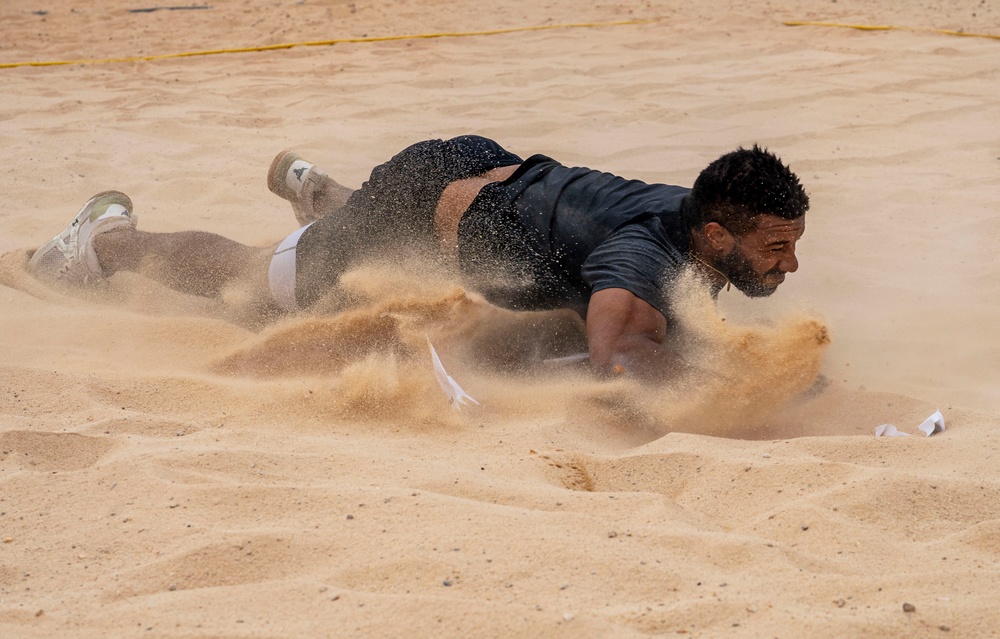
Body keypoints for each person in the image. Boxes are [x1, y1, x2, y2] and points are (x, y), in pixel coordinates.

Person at [26, 135, 808, 380]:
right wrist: (738, 381)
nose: (789, 266)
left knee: (537, 327)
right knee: (259, 284)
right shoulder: (643, 257)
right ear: (713, 235)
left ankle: (320, 192)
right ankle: (105, 241)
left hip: (475, 185)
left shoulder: (701, 207)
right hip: (427, 195)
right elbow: (618, 352)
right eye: (776, 249)